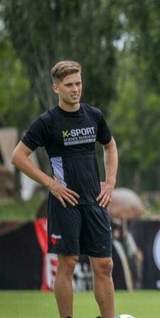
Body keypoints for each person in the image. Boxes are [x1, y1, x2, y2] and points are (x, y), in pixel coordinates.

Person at [11, 60, 118, 318]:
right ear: (56, 87)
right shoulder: (47, 122)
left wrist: (111, 181)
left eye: (78, 83)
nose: (75, 89)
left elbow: (110, 146)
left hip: (95, 201)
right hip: (65, 202)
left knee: (104, 265)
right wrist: (51, 184)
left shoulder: (94, 115)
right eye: (69, 85)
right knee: (67, 264)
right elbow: (18, 157)